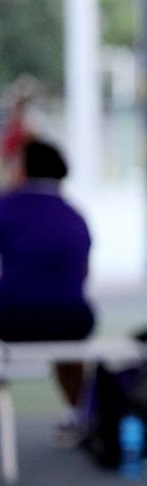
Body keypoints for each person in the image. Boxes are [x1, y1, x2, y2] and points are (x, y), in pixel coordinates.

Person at [0, 138, 95, 433]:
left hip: (13, 319)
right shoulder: (75, 216)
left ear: (24, 168)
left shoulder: (6, 208)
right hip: (72, 320)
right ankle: (80, 413)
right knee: (67, 342)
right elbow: (83, 274)